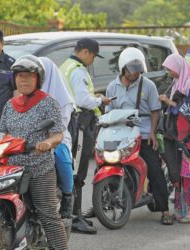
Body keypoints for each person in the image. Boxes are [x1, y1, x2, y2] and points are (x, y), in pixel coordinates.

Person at [0, 55, 68, 249]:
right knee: (3, 210)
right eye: (20, 76)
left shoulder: (48, 103)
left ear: (38, 79)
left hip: (39, 168)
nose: (24, 80)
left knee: (48, 214)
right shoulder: (10, 105)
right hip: (11, 169)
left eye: (29, 76)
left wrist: (47, 142)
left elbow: (58, 135)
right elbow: (2, 134)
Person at [106, 47, 173, 225]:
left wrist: (151, 132)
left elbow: (155, 111)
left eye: (138, 70)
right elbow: (109, 112)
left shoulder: (148, 85)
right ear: (123, 69)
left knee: (154, 170)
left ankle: (165, 210)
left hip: (143, 134)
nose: (136, 73)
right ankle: (103, 202)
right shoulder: (112, 87)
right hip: (120, 135)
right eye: (132, 70)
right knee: (104, 165)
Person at [59, 38, 111, 234]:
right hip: (80, 124)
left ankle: (76, 214)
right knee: (77, 171)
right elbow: (82, 99)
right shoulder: (78, 70)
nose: (93, 60)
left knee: (73, 168)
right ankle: (73, 217)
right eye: (94, 56)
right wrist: (100, 99)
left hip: (71, 122)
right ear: (86, 52)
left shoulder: (65, 66)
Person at [159, 54, 190, 223]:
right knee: (179, 171)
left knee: (189, 171)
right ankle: (181, 209)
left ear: (178, 66)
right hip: (176, 133)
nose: (169, 72)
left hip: (188, 133)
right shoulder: (176, 83)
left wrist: (170, 103)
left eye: (170, 68)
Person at [40, 56, 76, 219]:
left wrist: (48, 137)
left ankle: (68, 196)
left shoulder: (62, 99)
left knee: (61, 156)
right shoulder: (24, 95)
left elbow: (61, 124)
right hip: (28, 138)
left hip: (55, 136)